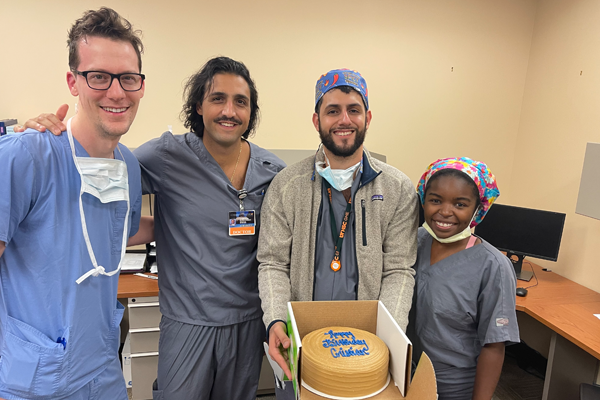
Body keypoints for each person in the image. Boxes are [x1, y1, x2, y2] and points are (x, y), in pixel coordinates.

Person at [17, 57, 285, 400]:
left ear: (251, 112)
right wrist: (44, 139)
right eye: (217, 98)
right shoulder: (167, 157)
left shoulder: (271, 171)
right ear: (199, 105)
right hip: (188, 324)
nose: (229, 110)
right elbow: (94, 170)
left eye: (240, 101)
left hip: (247, 326)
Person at [0, 7, 150, 399]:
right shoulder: (26, 156)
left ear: (141, 86)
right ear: (73, 81)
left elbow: (116, 236)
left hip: (102, 369)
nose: (116, 92)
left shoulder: (128, 165)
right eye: (98, 77)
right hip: (35, 378)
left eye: (128, 78)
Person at [257, 69, 419, 380]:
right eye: (333, 111)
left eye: (353, 110)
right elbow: (272, 262)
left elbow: (399, 269)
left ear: (367, 118)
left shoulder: (398, 188)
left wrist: (390, 335)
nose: (344, 119)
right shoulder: (287, 185)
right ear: (317, 121)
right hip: (299, 340)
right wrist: (276, 319)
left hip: (367, 345)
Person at [408, 157, 520, 400]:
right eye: (435, 200)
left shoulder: (493, 266)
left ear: (477, 209)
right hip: (405, 376)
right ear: (423, 201)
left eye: (460, 204)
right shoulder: (412, 242)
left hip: (451, 389)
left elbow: (494, 345)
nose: (445, 212)